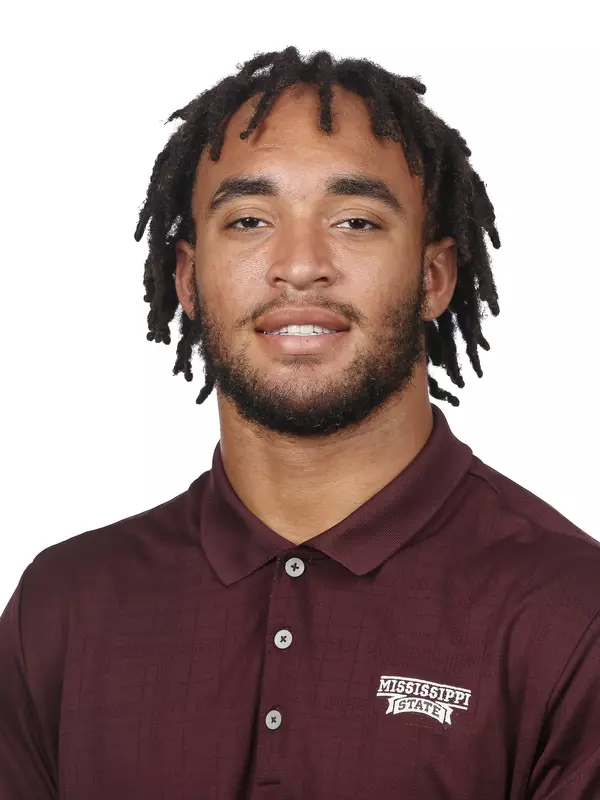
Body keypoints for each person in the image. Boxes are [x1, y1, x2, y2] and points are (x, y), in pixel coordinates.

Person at [0, 46, 598, 800]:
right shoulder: (64, 608)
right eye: (249, 220)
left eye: (355, 220)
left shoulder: (572, 615)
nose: (300, 264)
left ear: (434, 277)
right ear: (188, 278)